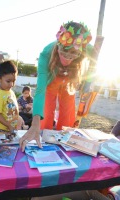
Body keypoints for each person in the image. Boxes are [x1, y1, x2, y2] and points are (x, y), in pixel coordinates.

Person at [19, 21, 92, 151]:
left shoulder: (88, 48)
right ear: (58, 47)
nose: (67, 60)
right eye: (64, 54)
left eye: (72, 56)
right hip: (51, 80)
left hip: (68, 80)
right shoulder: (46, 55)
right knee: (46, 112)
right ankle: (42, 140)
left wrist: (89, 85)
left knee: (68, 113)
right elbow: (40, 91)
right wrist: (34, 124)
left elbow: (94, 65)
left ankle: (64, 145)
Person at [0, 60, 22, 133]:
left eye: (13, 81)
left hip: (10, 128)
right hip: (1, 129)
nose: (11, 84)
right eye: (8, 81)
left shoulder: (10, 91)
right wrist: (8, 125)